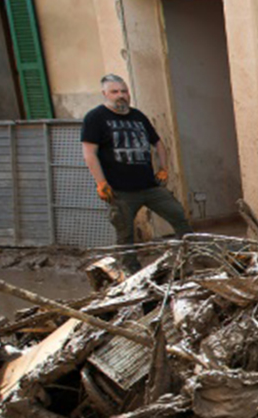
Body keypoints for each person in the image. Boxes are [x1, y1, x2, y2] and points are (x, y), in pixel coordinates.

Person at [81, 74, 192, 272]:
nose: (121, 96)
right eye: (115, 92)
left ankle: (190, 257)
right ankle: (131, 272)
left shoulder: (138, 116)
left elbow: (158, 143)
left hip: (149, 186)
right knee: (125, 234)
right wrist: (101, 182)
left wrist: (163, 168)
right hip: (120, 191)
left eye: (124, 91)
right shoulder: (95, 118)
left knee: (179, 216)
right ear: (105, 94)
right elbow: (90, 153)